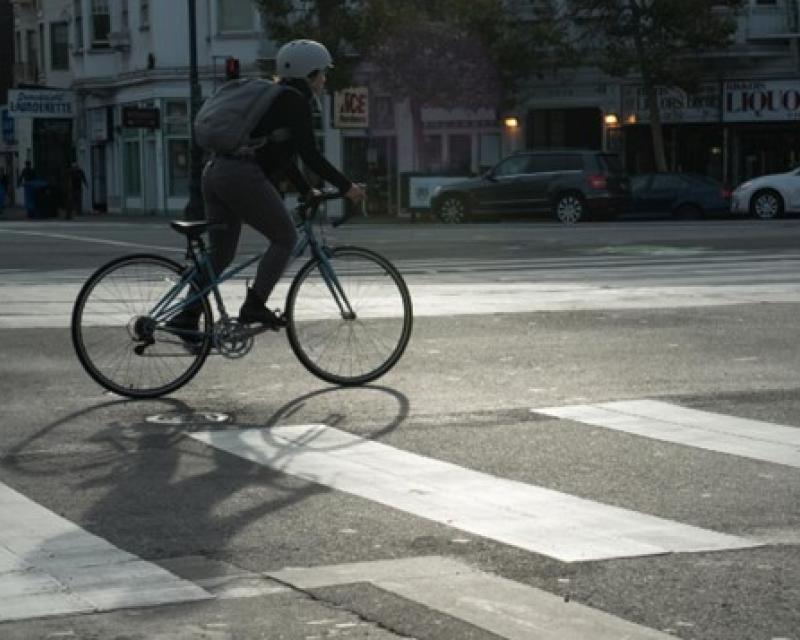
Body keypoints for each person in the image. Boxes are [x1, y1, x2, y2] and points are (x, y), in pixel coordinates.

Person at [169, 39, 364, 336]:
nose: (324, 80)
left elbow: (283, 155)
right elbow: (310, 155)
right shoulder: (295, 101)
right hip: (239, 174)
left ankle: (185, 317)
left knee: (221, 255)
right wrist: (347, 187)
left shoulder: (275, 97)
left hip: (217, 171)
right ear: (308, 73)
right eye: (322, 73)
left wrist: (305, 189)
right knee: (285, 237)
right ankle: (254, 305)